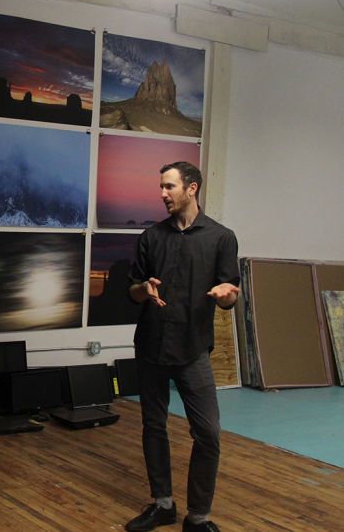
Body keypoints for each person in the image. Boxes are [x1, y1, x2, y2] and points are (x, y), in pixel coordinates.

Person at [125, 162, 240, 532]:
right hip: (151, 347)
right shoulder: (151, 237)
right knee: (153, 425)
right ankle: (163, 505)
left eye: (169, 186)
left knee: (208, 432)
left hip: (192, 350)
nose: (162, 194)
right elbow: (133, 290)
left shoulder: (222, 238)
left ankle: (199, 516)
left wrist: (226, 296)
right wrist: (145, 289)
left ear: (192, 189)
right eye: (160, 186)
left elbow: (229, 296)